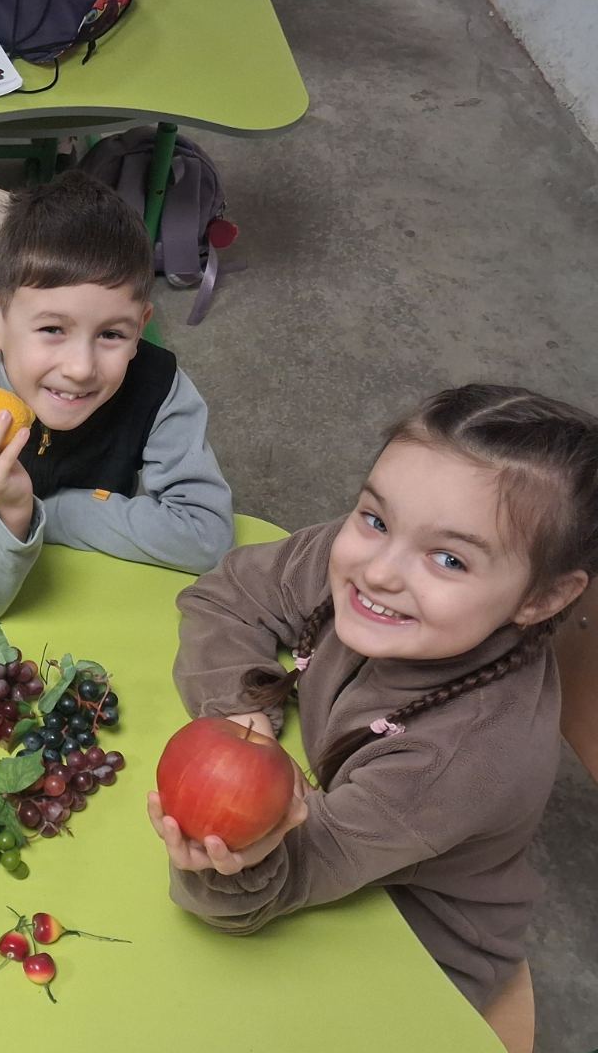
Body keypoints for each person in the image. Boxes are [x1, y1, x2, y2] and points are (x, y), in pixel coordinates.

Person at [149, 385, 596, 1009]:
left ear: (543, 598)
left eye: (449, 560)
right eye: (377, 518)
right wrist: (241, 714)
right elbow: (229, 597)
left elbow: (272, 884)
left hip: (412, 953)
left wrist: (228, 857)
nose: (380, 571)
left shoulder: (459, 760)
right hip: (348, 834)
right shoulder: (367, 562)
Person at [0, 171, 232, 616]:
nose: (80, 368)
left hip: (76, 568)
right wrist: (11, 509)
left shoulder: (158, 390)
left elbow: (205, 534)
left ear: (140, 328)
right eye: (52, 329)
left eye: (112, 334)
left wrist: (49, 512)